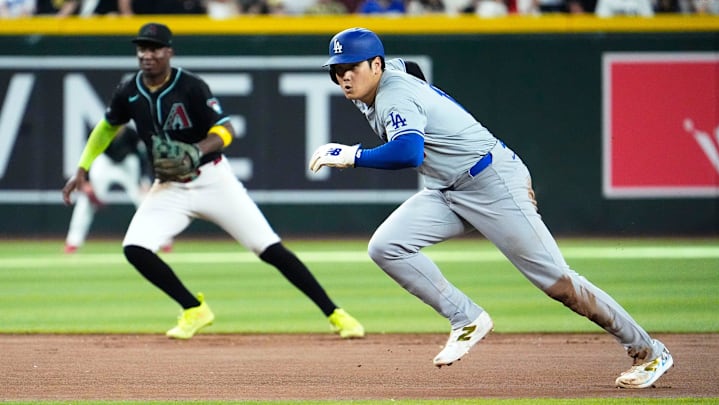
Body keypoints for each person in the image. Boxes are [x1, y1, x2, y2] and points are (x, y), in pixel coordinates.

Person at [309, 27, 673, 388]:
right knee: (386, 247)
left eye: (353, 66)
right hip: (446, 189)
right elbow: (411, 66)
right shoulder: (381, 81)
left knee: (558, 282)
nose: (344, 75)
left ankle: (650, 351)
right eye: (337, 69)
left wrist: (352, 156)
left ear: (376, 64)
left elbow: (408, 152)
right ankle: (465, 317)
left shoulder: (393, 96)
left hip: (492, 182)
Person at [62, 22, 364, 340]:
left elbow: (225, 130)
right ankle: (194, 309)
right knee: (135, 249)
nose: (146, 55)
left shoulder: (190, 86)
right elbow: (107, 126)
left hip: (213, 179)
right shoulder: (129, 90)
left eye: (154, 48)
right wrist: (83, 166)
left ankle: (336, 313)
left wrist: (196, 150)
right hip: (170, 187)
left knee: (269, 249)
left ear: (168, 52)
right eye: (142, 49)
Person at [63, 127, 173, 254]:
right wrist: (86, 181)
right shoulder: (99, 132)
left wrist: (144, 180)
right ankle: (73, 242)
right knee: (86, 200)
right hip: (104, 163)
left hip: (128, 164)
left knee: (145, 200)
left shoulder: (131, 134)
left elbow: (142, 156)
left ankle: (164, 240)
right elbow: (89, 154)